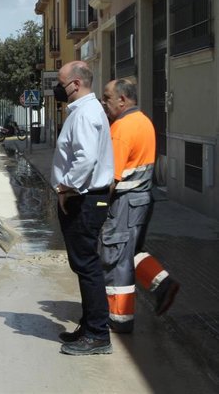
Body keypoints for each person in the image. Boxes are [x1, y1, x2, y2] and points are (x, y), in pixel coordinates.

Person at [98, 79, 180, 334]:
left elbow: (111, 179)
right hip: (143, 198)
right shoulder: (144, 121)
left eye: (107, 98)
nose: (104, 103)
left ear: (122, 100)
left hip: (126, 201)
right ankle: (162, 283)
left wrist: (98, 205)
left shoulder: (121, 128)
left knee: (115, 257)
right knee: (131, 251)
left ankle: (120, 318)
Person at [51, 61, 114, 356]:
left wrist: (66, 188)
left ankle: (98, 335)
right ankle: (89, 327)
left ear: (75, 84)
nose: (58, 88)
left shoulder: (86, 113)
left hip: (84, 199)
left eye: (61, 82)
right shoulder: (83, 111)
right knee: (83, 265)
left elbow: (85, 159)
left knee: (87, 266)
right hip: (85, 197)